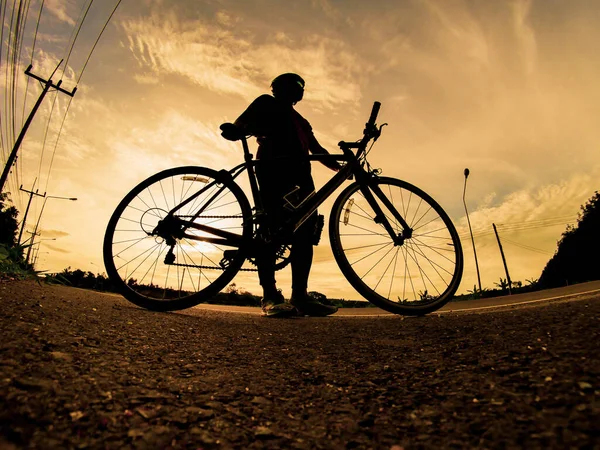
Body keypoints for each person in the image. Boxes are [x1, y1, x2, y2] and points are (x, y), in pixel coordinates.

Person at [228, 73, 340, 318]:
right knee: (270, 229)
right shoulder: (266, 102)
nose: (296, 89)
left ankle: (300, 296)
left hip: (301, 179)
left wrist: (339, 166)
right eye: (292, 85)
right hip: (273, 169)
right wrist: (235, 130)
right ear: (278, 88)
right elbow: (243, 121)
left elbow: (317, 149)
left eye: (300, 86)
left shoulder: (302, 120)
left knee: (305, 229)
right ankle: (270, 295)